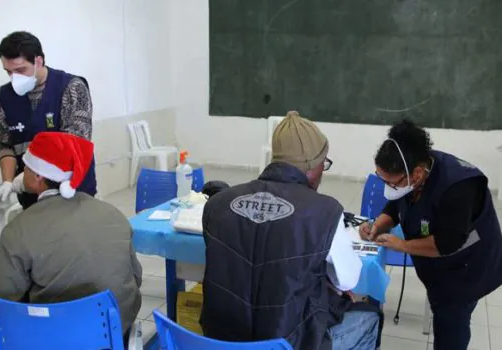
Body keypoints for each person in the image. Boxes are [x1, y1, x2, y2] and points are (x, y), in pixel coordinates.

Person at [201, 111, 380, 350]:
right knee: (370, 317)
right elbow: (348, 279)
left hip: (221, 341)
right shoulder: (325, 211)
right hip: (289, 342)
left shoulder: (217, 203)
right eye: (323, 164)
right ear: (310, 167)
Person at [0, 132, 142, 343]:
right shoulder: (113, 214)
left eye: (26, 167)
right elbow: (136, 277)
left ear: (38, 176)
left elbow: (5, 301)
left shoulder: (18, 230)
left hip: (54, 338)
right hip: (114, 330)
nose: (22, 172)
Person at [360, 119, 502, 350]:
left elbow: (446, 243)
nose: (388, 188)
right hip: (440, 262)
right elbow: (396, 206)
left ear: (416, 174)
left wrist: (401, 245)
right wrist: (378, 225)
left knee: (451, 323)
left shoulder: (459, 187)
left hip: (469, 266)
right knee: (441, 308)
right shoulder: (413, 169)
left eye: (391, 182)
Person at [0, 31, 97, 211]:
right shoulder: (4, 97)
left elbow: (75, 143)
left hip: (72, 192)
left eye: (20, 70)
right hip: (32, 194)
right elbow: (5, 145)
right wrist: (9, 181)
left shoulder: (71, 88)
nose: (14, 77)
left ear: (38, 61)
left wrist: (27, 177)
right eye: (8, 72)